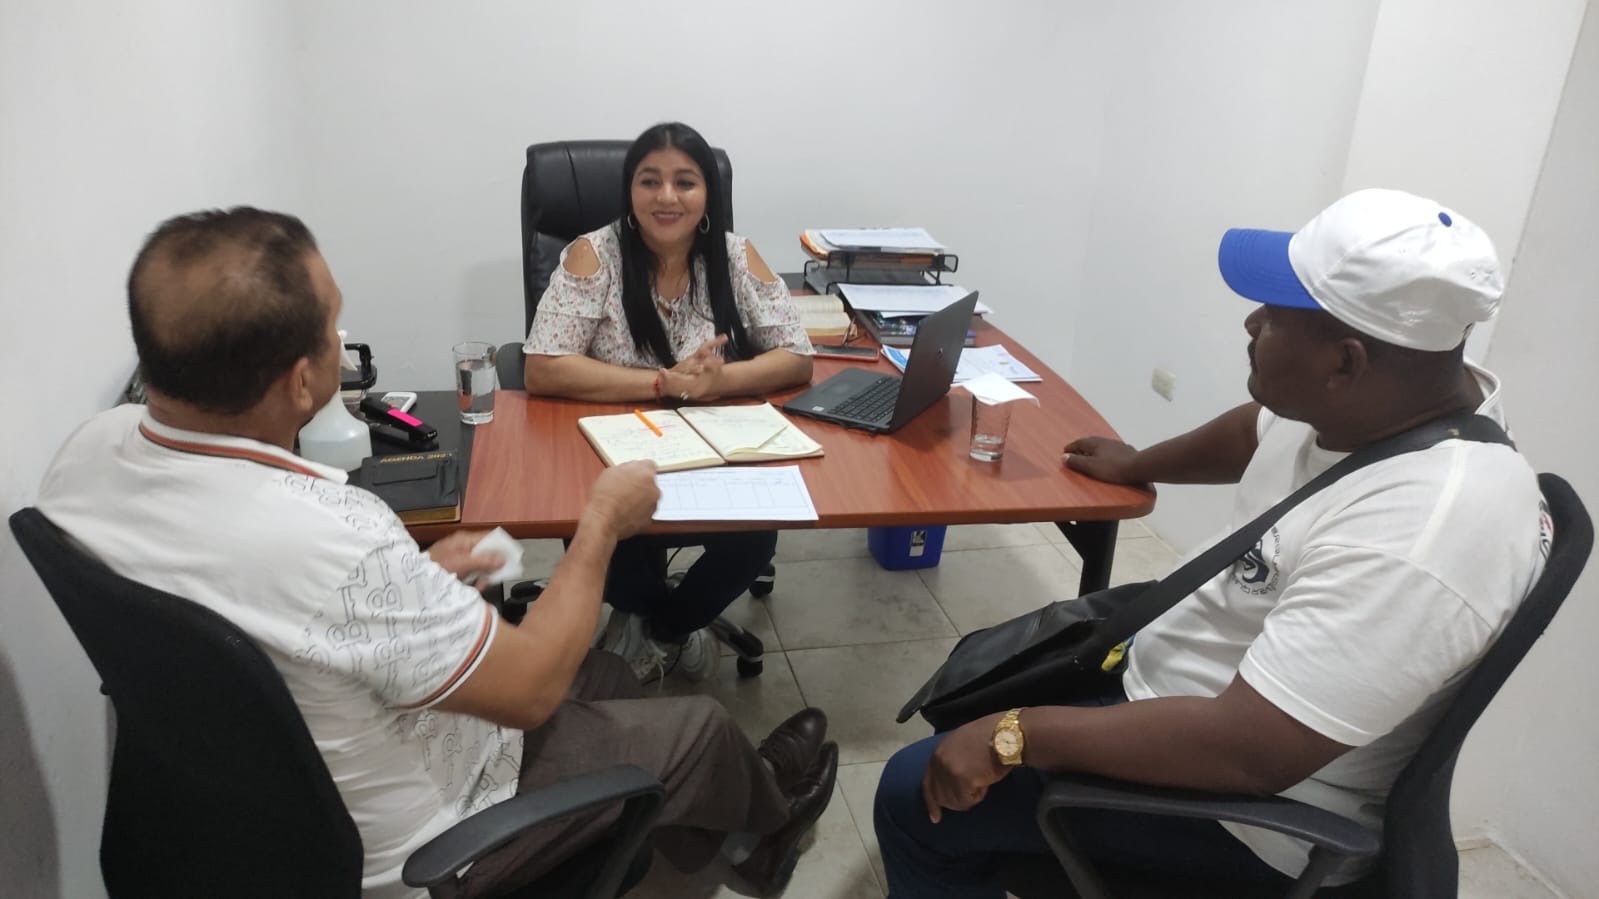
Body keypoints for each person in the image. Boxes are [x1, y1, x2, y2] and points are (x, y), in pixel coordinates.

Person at [36, 207, 839, 898]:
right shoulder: (337, 535)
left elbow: (258, 597)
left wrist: (408, 578)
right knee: (699, 726)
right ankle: (764, 840)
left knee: (611, 677)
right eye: (332, 326)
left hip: (246, 796)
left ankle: (702, 830)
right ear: (301, 382)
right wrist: (599, 522)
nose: (340, 337)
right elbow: (528, 692)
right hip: (422, 849)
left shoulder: (86, 454)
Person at [873, 189, 1553, 896]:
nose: (1250, 322)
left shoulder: (1424, 529)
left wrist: (1012, 736)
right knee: (974, 682)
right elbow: (1253, 430)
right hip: (1189, 690)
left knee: (911, 792)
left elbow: (1250, 751)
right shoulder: (1383, 400)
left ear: (1345, 363)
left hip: (1247, 814)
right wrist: (1139, 463)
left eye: (1274, 317)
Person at [522, 121, 815, 684]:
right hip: (615, 442)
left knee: (756, 538)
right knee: (615, 542)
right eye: (649, 181)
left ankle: (662, 630)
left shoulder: (735, 256)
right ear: (630, 191)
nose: (667, 197)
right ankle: (649, 618)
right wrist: (663, 384)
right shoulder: (593, 256)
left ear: (707, 195)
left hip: (714, 444)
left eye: (685, 182)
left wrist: (717, 384)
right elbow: (543, 366)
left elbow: (797, 357)